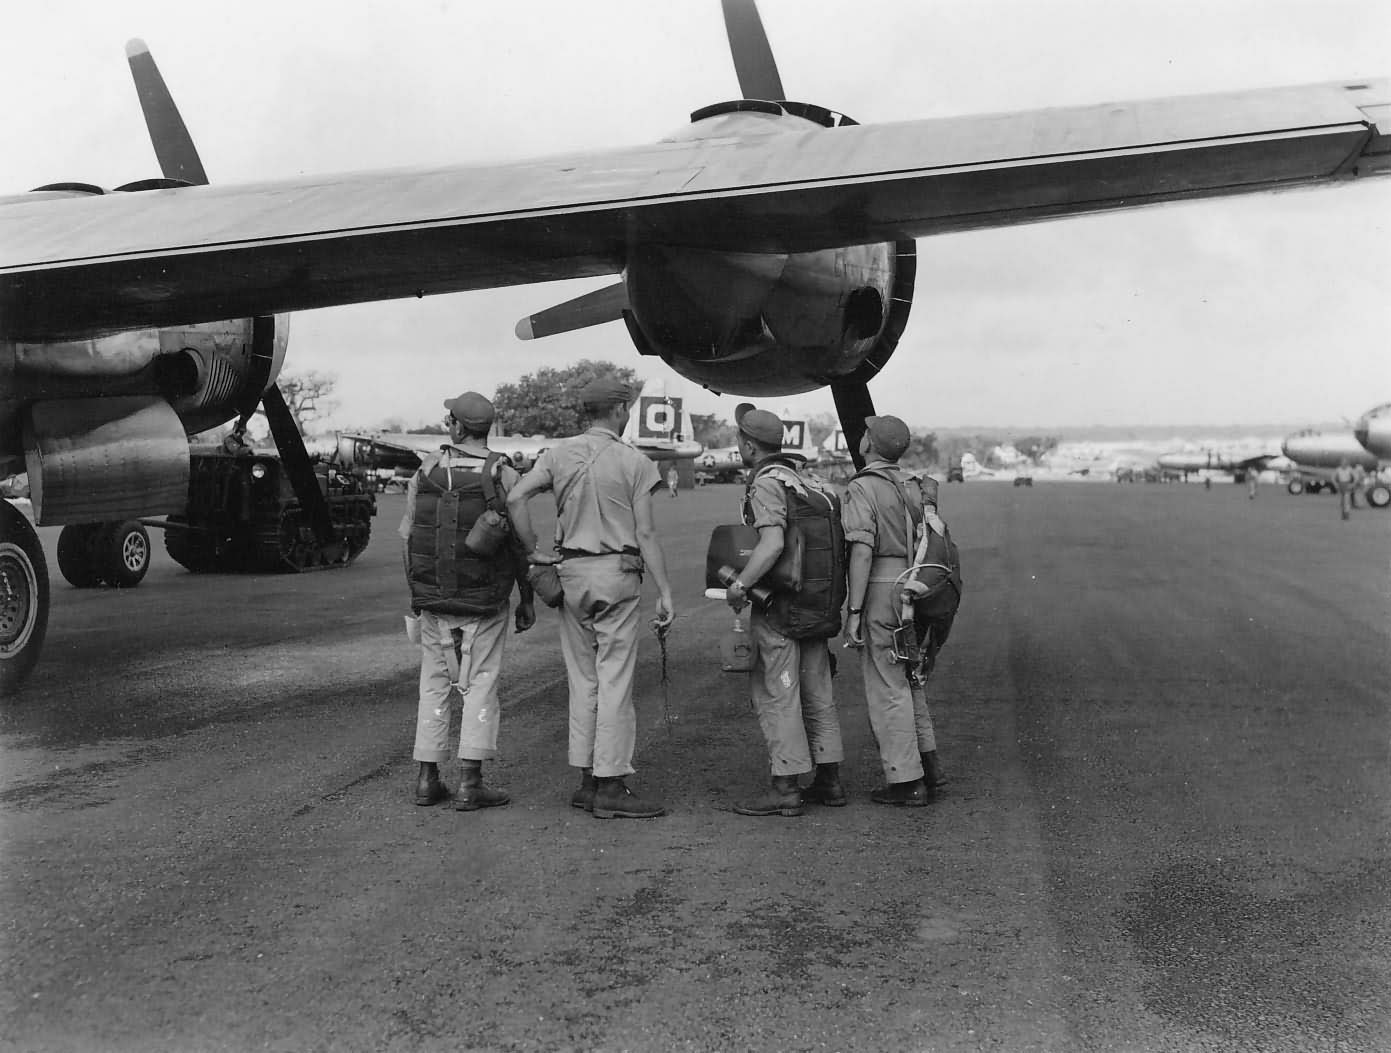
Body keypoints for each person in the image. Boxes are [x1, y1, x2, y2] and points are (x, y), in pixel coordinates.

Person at [506, 376, 675, 819]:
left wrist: (532, 548)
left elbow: (516, 496)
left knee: (583, 681)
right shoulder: (634, 461)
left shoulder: (557, 455)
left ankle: (586, 780)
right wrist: (665, 590)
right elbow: (646, 532)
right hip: (617, 575)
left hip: (571, 574)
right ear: (619, 410)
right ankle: (611, 785)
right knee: (615, 680)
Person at [401, 392, 535, 811]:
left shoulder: (424, 471)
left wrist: (418, 596)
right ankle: (469, 783)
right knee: (480, 686)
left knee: (433, 686)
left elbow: (410, 539)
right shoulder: (504, 475)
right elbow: (520, 546)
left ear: (457, 428)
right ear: (486, 430)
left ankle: (427, 779)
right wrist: (526, 598)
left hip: (433, 600)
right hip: (485, 603)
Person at [724, 404, 846, 817]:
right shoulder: (809, 481)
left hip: (781, 608)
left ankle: (785, 786)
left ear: (749, 446)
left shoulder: (767, 484)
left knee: (777, 693)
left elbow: (772, 544)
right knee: (818, 692)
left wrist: (741, 586)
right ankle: (829, 779)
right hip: (818, 605)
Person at [841, 416, 947, 807]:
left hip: (882, 589)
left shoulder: (863, 487)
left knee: (888, 686)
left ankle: (907, 782)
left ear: (871, 443)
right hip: (915, 587)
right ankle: (929, 768)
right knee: (910, 680)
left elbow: (862, 550)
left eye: (865, 431)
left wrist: (854, 610)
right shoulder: (916, 487)